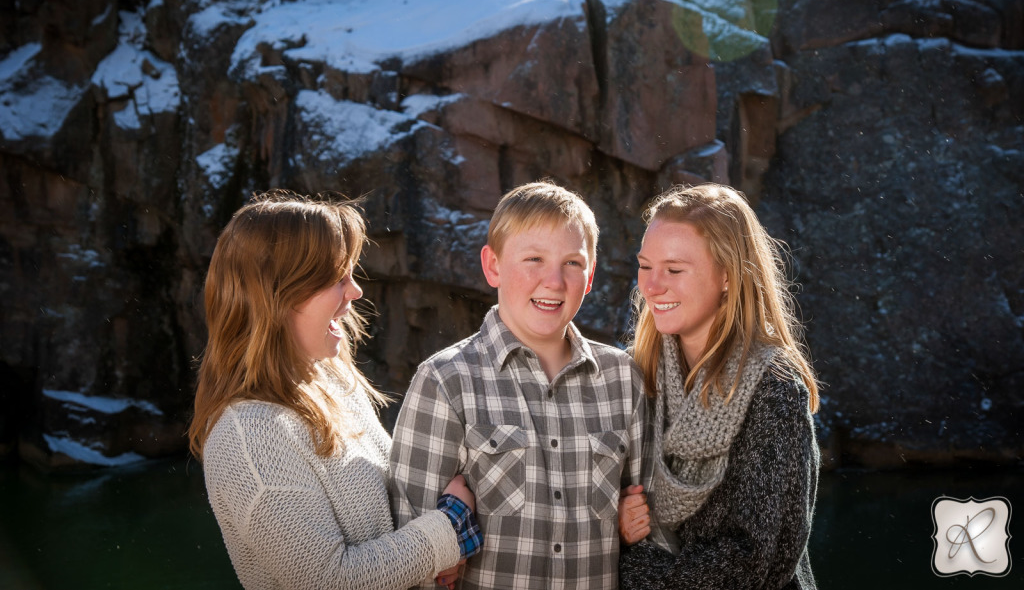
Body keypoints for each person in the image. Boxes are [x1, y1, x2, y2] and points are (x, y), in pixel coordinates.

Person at [188, 190, 482, 590]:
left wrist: (433, 559)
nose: (355, 291)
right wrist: (450, 527)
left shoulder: (332, 382)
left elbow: (386, 519)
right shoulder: (250, 437)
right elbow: (329, 580)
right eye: (336, 278)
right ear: (278, 294)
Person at [389, 181, 647, 590]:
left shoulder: (621, 378)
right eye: (533, 259)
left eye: (573, 263)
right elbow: (408, 556)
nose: (554, 281)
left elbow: (646, 528)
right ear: (492, 266)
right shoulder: (446, 381)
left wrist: (632, 525)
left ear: (591, 275)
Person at [618, 183, 820, 590]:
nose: (652, 286)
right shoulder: (639, 374)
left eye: (674, 270)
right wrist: (618, 519)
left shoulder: (774, 390)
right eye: (645, 265)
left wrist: (631, 562)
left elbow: (747, 566)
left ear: (727, 275)